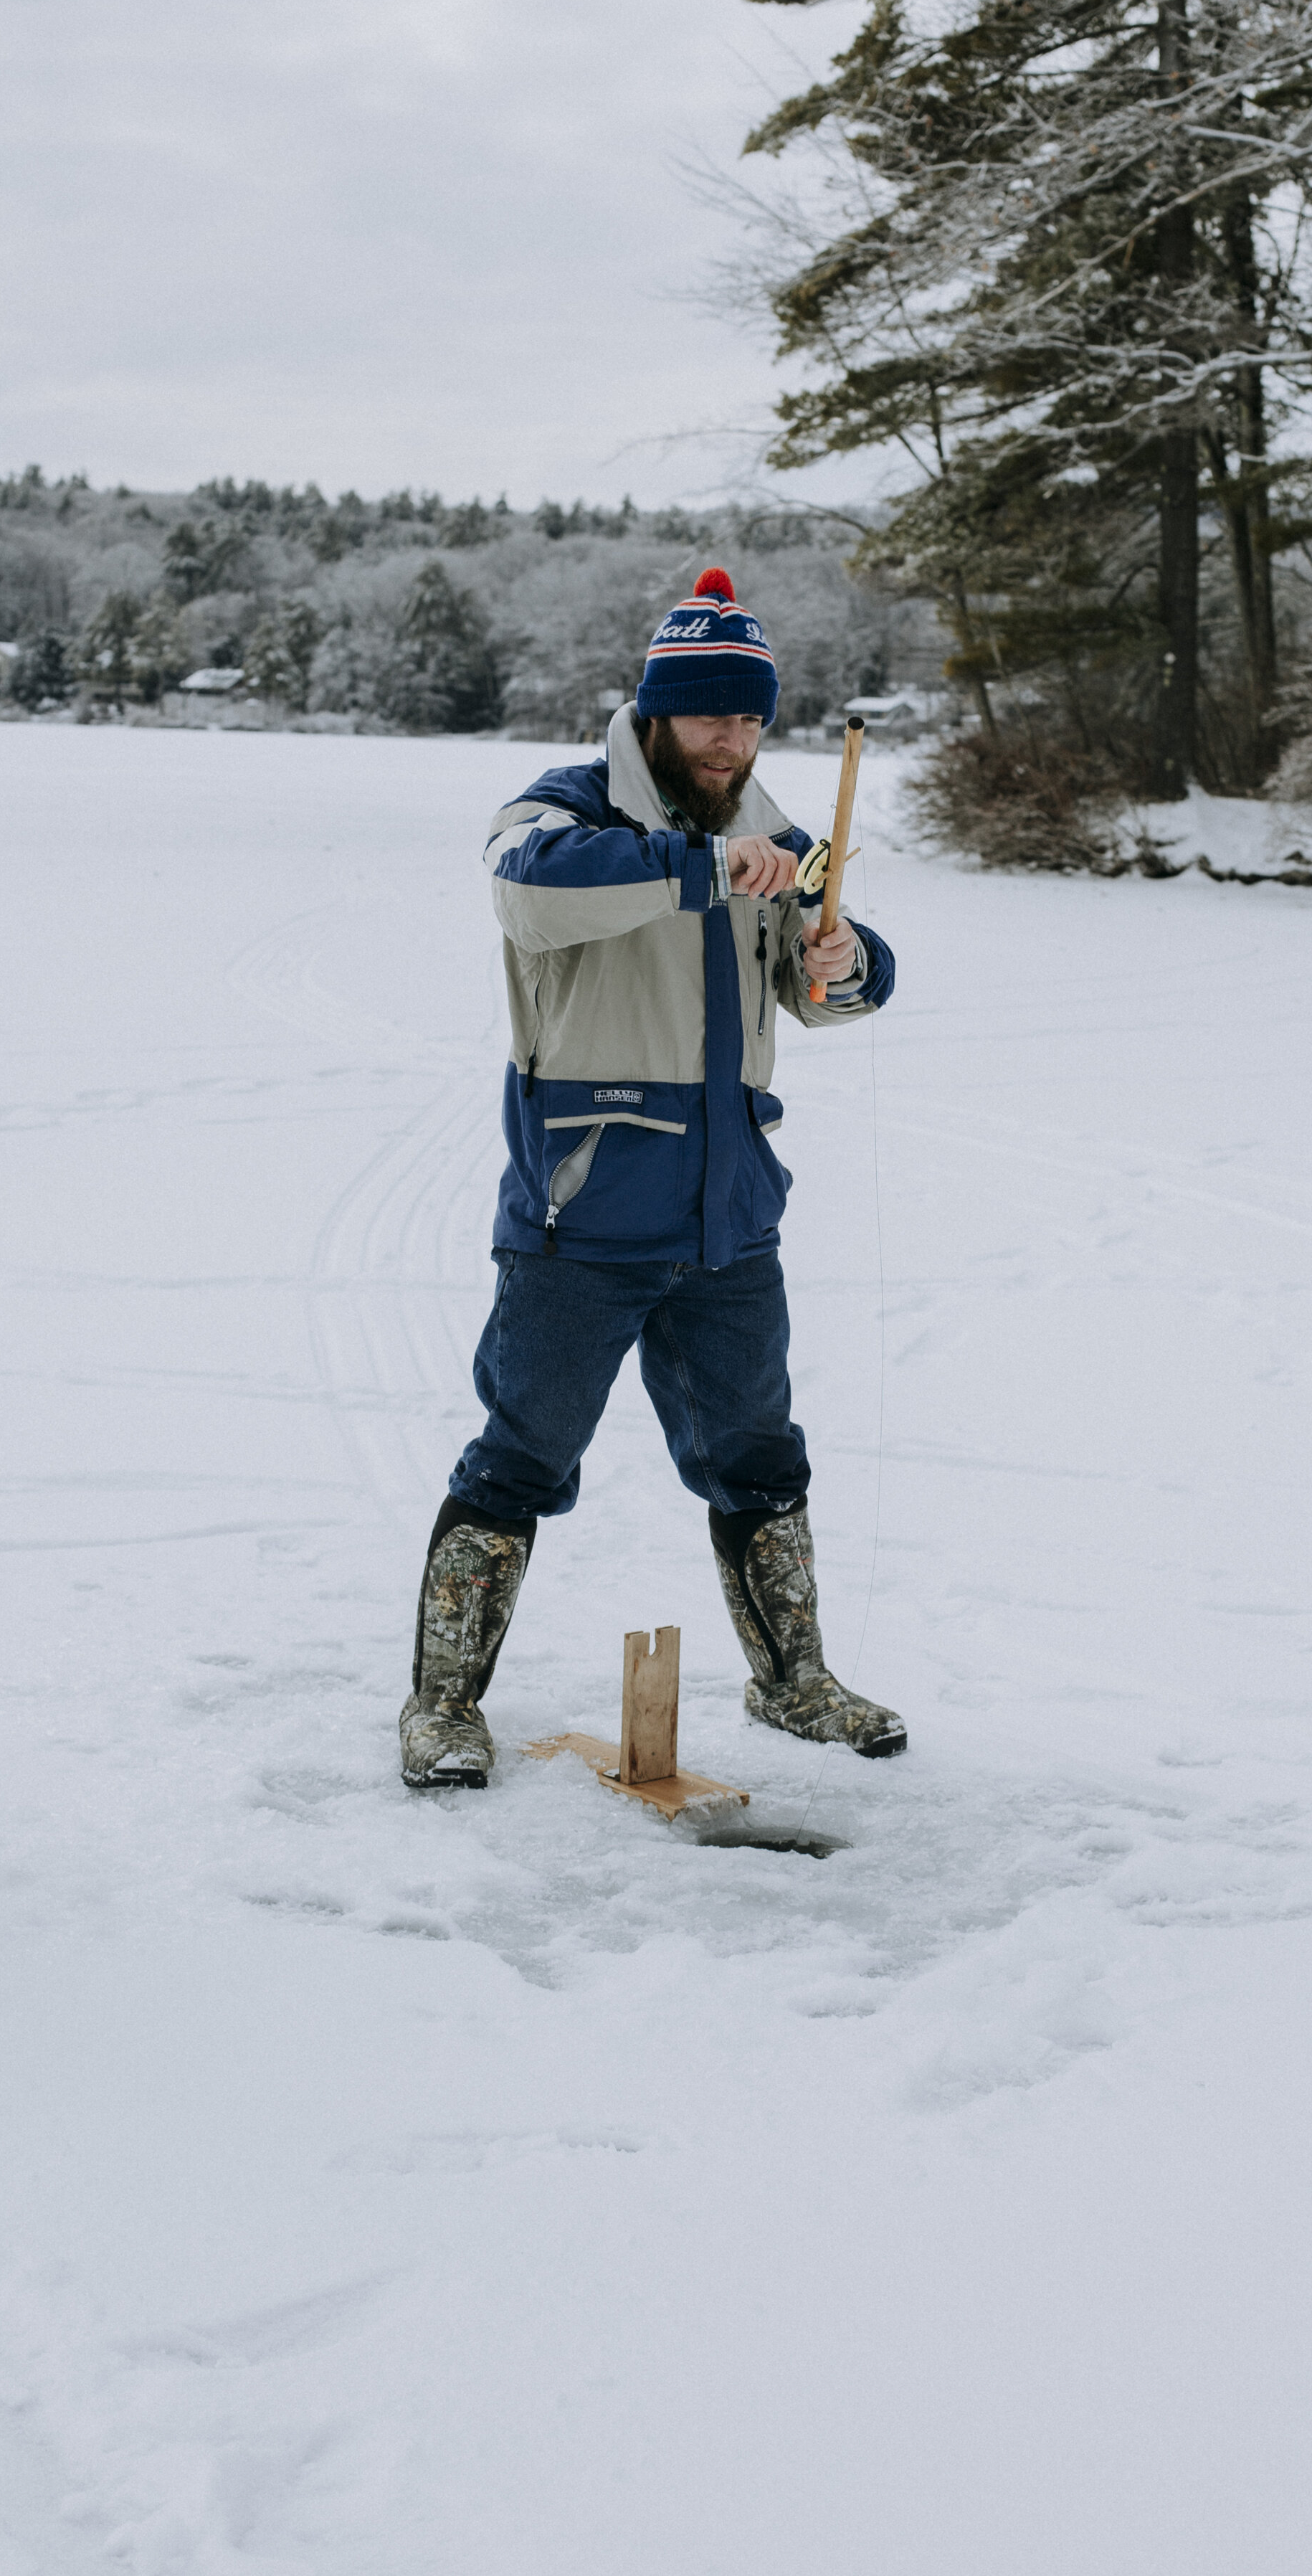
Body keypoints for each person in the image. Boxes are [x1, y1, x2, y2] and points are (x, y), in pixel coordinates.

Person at [399, 567, 905, 1789]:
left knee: (761, 1459)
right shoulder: (557, 813)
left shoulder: (781, 838)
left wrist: (842, 958)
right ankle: (442, 1705)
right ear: (655, 712)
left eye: (749, 717)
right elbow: (529, 897)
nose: (730, 739)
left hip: (729, 1226)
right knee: (520, 1461)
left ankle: (794, 1682)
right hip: (582, 1221)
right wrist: (701, 872)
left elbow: (826, 987)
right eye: (706, 715)